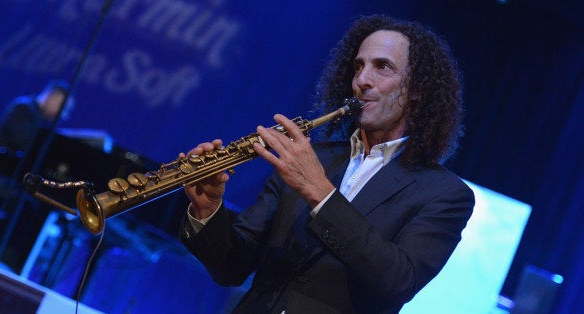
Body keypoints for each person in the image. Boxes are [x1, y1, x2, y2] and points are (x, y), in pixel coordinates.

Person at [179, 14, 475, 313]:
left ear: (419, 90)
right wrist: (209, 209)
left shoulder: (445, 194)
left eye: (382, 67)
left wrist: (320, 191)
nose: (361, 81)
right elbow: (232, 268)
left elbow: (399, 281)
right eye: (358, 66)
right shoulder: (312, 157)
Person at [0, 79, 74, 262]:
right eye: (62, 109)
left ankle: (7, 257)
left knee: (30, 206)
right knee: (25, 208)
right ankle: (1, 255)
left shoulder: (38, 118)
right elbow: (24, 144)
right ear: (53, 98)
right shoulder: (23, 109)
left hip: (10, 178)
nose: (61, 116)